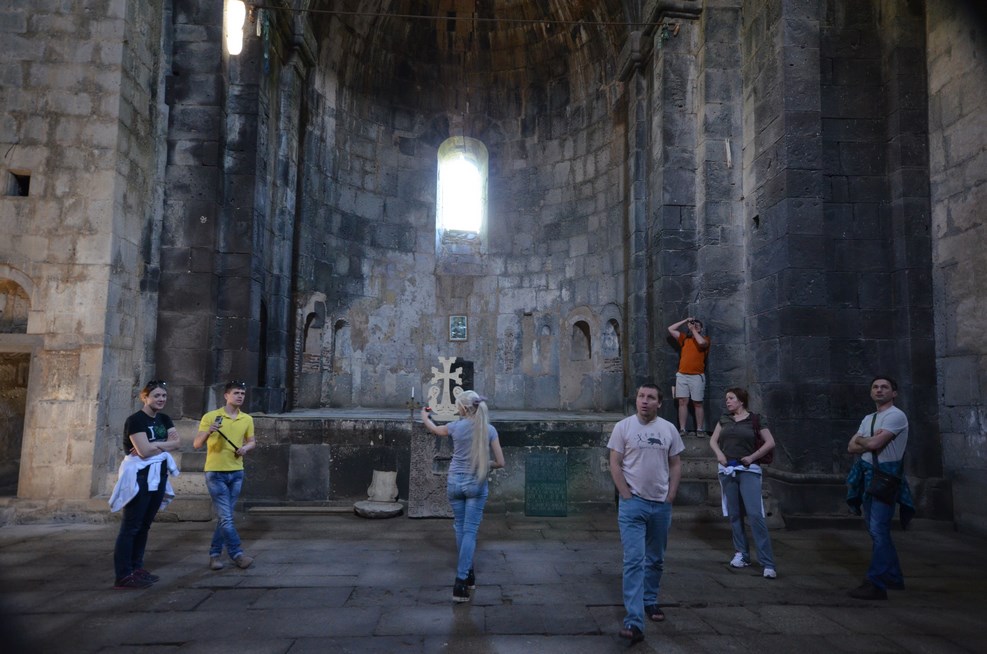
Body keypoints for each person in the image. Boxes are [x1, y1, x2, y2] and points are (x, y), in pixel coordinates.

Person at [608, 383, 684, 644]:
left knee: (655, 559)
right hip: (633, 504)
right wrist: (625, 494)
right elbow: (615, 462)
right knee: (633, 561)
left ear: (659, 403)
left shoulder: (668, 429)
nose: (644, 401)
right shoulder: (623, 427)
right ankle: (634, 621)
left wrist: (671, 495)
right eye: (641, 396)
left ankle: (650, 600)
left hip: (660, 504)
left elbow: (675, 464)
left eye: (650, 397)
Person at [420, 390, 505, 603]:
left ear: (464, 408)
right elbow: (501, 462)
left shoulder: (455, 427)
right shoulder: (489, 430)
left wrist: (424, 417)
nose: (457, 408)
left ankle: (468, 573)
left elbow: (435, 429)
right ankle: (460, 581)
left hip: (455, 483)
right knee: (469, 531)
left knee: (460, 528)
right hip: (476, 484)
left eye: (458, 405)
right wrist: (486, 464)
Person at [845, 376, 914, 600]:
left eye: (885, 387)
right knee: (875, 529)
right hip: (868, 476)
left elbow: (873, 443)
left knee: (878, 529)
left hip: (884, 477)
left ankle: (876, 583)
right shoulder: (869, 418)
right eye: (875, 387)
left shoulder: (896, 416)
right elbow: (850, 447)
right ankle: (892, 577)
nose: (879, 390)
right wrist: (866, 441)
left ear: (894, 393)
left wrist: (863, 440)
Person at [111, 380, 182, 589]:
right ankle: (124, 574)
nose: (161, 399)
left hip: (158, 475)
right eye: (156, 395)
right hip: (140, 476)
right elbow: (143, 452)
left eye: (164, 396)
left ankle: (136, 568)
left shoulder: (164, 418)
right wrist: (161, 446)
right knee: (131, 526)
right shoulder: (135, 420)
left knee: (144, 525)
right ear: (145, 397)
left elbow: (177, 443)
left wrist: (156, 444)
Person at [707, 387, 777, 579]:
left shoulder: (755, 419)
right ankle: (742, 554)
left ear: (741, 401)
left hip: (748, 470)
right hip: (728, 470)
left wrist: (752, 457)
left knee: (755, 515)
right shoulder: (724, 419)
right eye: (726, 398)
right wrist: (720, 454)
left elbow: (770, 442)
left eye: (731, 398)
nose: (727, 401)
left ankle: (767, 562)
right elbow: (713, 441)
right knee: (735, 514)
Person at [194, 380, 257, 570]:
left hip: (236, 471)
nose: (240, 396)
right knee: (227, 518)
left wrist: (245, 448)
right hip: (216, 472)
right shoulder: (211, 417)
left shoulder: (246, 419)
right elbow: (197, 444)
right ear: (226, 395)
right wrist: (209, 432)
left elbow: (252, 441)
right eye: (236, 393)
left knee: (225, 516)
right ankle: (237, 554)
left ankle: (214, 555)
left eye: (242, 393)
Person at [667, 317, 711, 435]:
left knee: (698, 402)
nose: (694, 326)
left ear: (701, 329)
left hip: (697, 376)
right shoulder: (684, 339)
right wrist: (686, 320)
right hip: (682, 375)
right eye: (693, 325)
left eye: (697, 326)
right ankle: (682, 428)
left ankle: (700, 429)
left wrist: (693, 330)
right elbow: (670, 329)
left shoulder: (705, 340)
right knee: (682, 402)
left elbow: (701, 343)